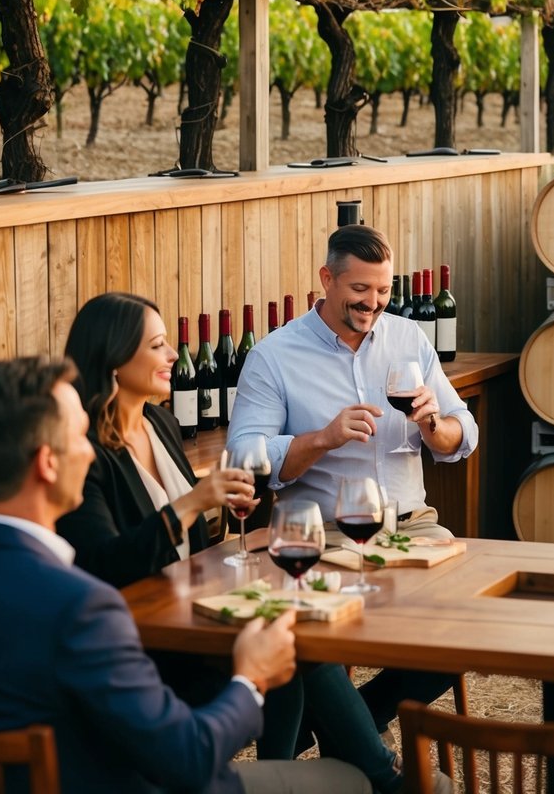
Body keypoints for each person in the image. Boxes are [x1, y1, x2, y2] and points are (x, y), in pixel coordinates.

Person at [0, 355, 369, 794]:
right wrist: (251, 680)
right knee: (349, 780)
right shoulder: (83, 607)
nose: (91, 451)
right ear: (47, 463)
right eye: (81, 437)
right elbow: (188, 757)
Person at [57, 291, 404, 793]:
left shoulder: (160, 423)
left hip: (189, 612)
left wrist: (219, 518)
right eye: (158, 346)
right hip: (146, 643)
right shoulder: (86, 451)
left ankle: (318, 771)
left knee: (293, 632)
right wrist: (195, 502)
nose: (174, 356)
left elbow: (192, 548)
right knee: (293, 642)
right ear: (114, 358)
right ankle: (382, 775)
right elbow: (103, 564)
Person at [228, 224, 479, 737]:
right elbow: (243, 453)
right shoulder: (275, 356)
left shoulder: (408, 339)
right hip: (323, 538)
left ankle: (353, 723)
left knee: (466, 624)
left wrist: (434, 426)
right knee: (324, 636)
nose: (374, 304)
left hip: (415, 529)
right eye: (360, 290)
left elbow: (464, 435)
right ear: (327, 279)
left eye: (383, 291)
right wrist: (321, 438)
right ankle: (356, 737)